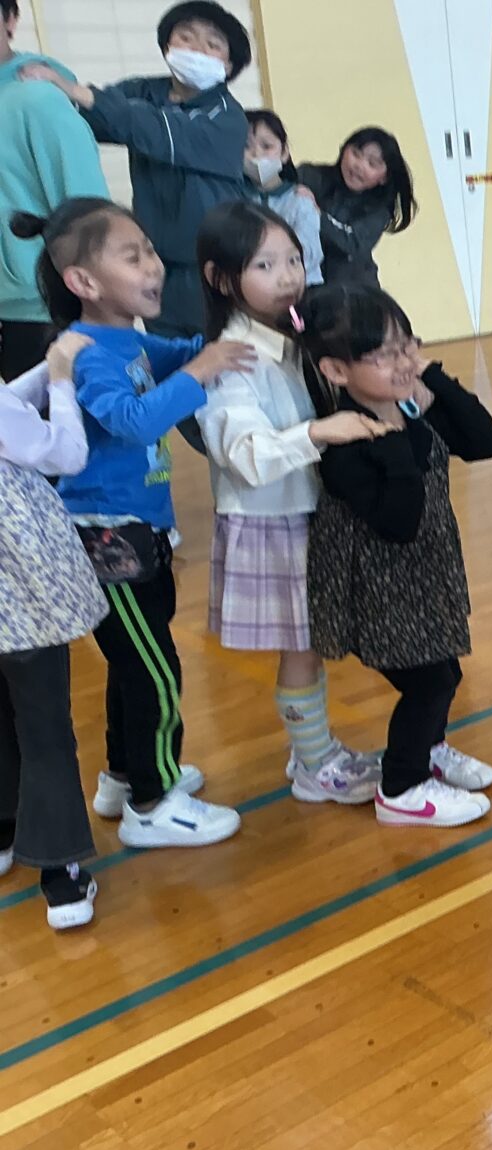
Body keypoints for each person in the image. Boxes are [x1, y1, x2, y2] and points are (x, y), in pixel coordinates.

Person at [9, 197, 252, 848]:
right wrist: (201, 371)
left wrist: (225, 340)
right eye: (133, 254)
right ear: (83, 283)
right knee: (154, 668)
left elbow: (178, 355)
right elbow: (135, 420)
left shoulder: (123, 340)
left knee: (132, 660)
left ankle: (123, 776)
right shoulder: (85, 352)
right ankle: (153, 800)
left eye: (151, 251)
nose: (152, 266)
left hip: (137, 531)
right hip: (107, 536)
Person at [196, 202, 385, 805]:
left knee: (308, 641)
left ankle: (315, 751)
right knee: (300, 644)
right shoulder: (233, 359)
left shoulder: (291, 336)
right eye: (266, 264)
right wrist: (319, 435)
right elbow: (245, 455)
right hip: (270, 519)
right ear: (222, 279)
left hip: (303, 510)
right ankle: (313, 764)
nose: (288, 276)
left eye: (294, 260)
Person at [297, 282, 492, 827]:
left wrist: (429, 375)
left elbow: (486, 441)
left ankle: (427, 750)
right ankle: (403, 786)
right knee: (430, 681)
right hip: (378, 592)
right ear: (338, 372)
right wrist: (394, 449)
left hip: (424, 578)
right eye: (385, 354)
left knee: (443, 673)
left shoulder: (412, 407)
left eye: (407, 345)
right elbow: (399, 522)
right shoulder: (348, 445)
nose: (403, 360)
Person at [23, 1, 252, 337]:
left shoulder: (228, 118)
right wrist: (55, 94)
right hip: (156, 259)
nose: (196, 50)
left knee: (218, 351)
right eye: (185, 38)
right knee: (166, 349)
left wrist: (79, 92)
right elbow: (95, 119)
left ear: (229, 64)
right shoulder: (144, 91)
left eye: (212, 45)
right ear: (167, 46)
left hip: (210, 262)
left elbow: (156, 130)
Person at [0, 331, 106, 928]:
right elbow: (65, 453)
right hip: (19, 587)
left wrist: (42, 371)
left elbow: (8, 412)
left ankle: (4, 830)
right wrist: (62, 379)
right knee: (43, 723)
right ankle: (60, 874)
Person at [0, 0, 108, 380]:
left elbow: (89, 212)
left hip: (47, 311)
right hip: (8, 318)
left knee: (83, 433)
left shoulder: (39, 99)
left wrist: (100, 303)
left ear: (10, 19)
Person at [298, 129, 417, 288]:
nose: (359, 165)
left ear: (384, 177)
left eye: (372, 164)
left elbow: (352, 244)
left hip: (352, 292)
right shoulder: (310, 176)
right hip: (303, 283)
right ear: (343, 149)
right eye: (355, 153)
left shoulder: (379, 211)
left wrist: (316, 214)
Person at [243, 110, 323, 285]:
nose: (256, 154)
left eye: (266, 146)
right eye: (246, 146)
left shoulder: (299, 200)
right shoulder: (235, 198)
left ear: (284, 152)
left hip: (301, 290)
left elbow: (309, 253)